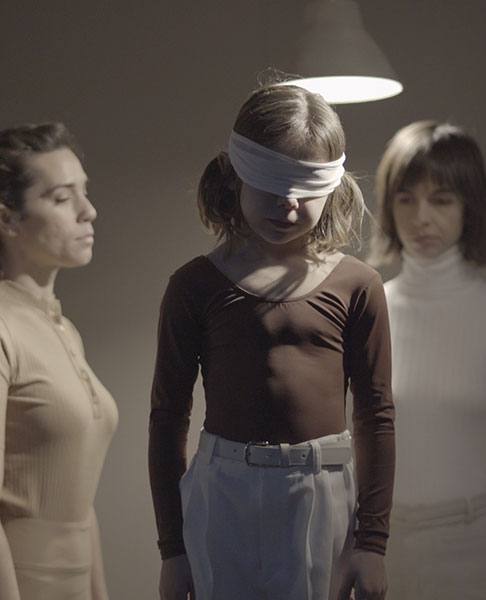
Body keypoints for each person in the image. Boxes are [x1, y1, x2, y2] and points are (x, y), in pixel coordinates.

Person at [148, 84, 395, 600]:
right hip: (223, 495)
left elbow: (375, 414)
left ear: (333, 186)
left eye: (307, 186)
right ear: (235, 172)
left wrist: (372, 541)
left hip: (323, 493)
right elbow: (168, 416)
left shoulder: (358, 286)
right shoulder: (194, 286)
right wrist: (173, 549)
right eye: (272, 182)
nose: (289, 203)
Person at [0, 123, 118, 600]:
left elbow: (78, 501)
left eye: (84, 192)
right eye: (62, 198)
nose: (88, 210)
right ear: (6, 219)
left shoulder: (63, 328)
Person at [373, 120, 486, 600]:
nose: (421, 217)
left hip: (474, 545)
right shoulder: (366, 312)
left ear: (470, 206)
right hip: (380, 545)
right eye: (406, 199)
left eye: (441, 200)